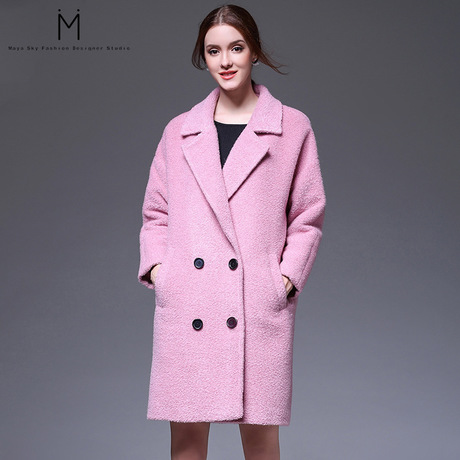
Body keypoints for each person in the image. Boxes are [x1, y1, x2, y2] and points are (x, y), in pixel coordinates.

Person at [137, 4, 326, 459]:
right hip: (190, 303)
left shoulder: (291, 128)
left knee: (260, 443)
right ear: (203, 57)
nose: (225, 61)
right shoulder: (179, 131)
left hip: (254, 304)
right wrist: (162, 271)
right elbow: (156, 212)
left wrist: (285, 279)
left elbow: (307, 214)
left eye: (236, 48)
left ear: (254, 52)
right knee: (186, 443)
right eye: (213, 50)